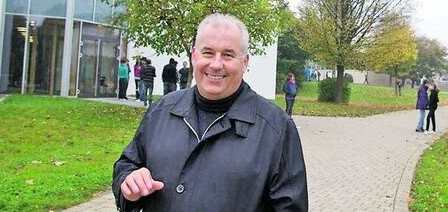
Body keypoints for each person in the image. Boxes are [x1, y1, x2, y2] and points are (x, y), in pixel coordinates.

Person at [112, 14, 308, 211]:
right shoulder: (162, 111)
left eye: (228, 55)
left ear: (245, 62)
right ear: (194, 55)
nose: (216, 64)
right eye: (208, 53)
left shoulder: (276, 128)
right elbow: (127, 165)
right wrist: (128, 182)